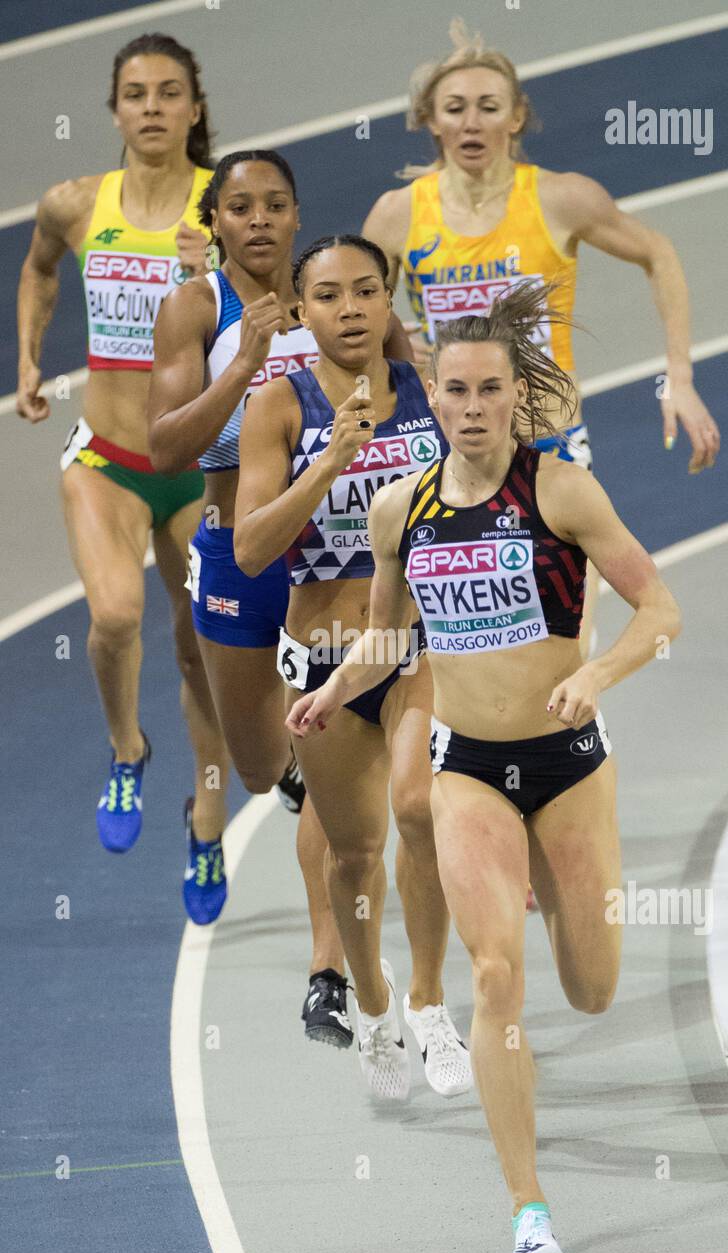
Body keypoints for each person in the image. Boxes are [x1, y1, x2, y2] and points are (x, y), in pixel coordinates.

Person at [285, 281, 681, 1253]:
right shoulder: (399, 509)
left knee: (590, 988)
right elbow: (387, 636)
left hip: (566, 764)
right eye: (451, 390)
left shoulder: (559, 491)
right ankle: (527, 1208)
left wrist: (592, 672)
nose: (468, 407)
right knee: (495, 975)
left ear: (514, 396)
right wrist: (333, 689)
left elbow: (658, 610)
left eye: (487, 390)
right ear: (431, 389)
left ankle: (555, 884)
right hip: (466, 767)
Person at [363, 19, 718, 658]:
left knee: (565, 652)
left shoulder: (559, 199)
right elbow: (357, 314)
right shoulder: (398, 214)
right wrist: (396, 345)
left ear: (516, 118)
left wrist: (681, 380)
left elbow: (659, 253)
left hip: (549, 450)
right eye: (455, 109)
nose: (472, 123)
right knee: (449, 649)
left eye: (489, 108)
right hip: (450, 458)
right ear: (430, 122)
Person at [234, 234, 473, 1101]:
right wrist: (328, 461)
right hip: (323, 652)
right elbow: (254, 547)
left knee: (420, 810)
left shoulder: (423, 386)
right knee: (353, 851)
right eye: (329, 296)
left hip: (412, 645)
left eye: (366, 291)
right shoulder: (280, 407)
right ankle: (370, 1003)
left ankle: (430, 1001)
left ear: (388, 300)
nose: (350, 310)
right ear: (302, 311)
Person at [15, 33, 229, 925]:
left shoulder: (229, 206)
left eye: (167, 92)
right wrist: (28, 358)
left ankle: (207, 825)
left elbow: (281, 306)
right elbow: (37, 270)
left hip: (195, 464)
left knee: (200, 648)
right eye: (135, 93)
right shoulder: (73, 204)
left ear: (192, 108)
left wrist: (208, 280)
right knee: (113, 616)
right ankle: (126, 750)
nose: (150, 107)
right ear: (113, 110)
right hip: (106, 460)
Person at [149, 149, 349, 1045]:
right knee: (264, 770)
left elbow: (398, 389)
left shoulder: (334, 295)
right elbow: (164, 449)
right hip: (236, 556)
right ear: (217, 221)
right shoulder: (197, 307)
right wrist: (246, 367)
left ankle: (331, 973)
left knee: (340, 759)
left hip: (329, 556)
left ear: (297, 214)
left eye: (275, 204)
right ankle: (305, 776)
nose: (259, 220)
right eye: (239, 207)